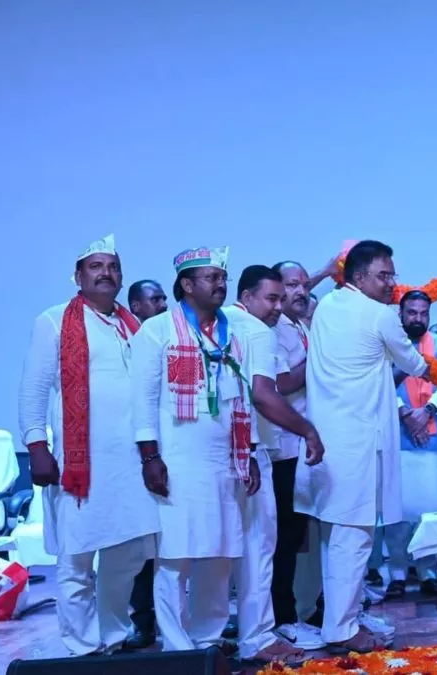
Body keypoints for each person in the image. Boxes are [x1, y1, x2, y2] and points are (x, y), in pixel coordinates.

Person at [18, 234, 159, 656]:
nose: (106, 273)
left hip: (130, 462)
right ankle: (81, 647)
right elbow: (34, 387)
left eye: (113, 267)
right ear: (77, 276)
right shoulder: (54, 320)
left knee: (129, 552)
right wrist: (36, 445)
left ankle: (113, 635)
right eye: (95, 267)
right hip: (80, 463)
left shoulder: (135, 327)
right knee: (77, 557)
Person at [297, 240, 428, 653]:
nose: (391, 284)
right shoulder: (380, 315)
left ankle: (343, 619)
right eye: (383, 275)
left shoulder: (326, 307)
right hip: (358, 443)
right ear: (358, 276)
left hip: (325, 441)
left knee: (335, 537)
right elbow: (416, 364)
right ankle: (341, 629)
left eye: (392, 274)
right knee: (353, 540)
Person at [130, 246, 264, 653]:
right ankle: (177, 648)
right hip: (176, 460)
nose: (221, 284)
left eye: (223, 277)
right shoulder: (157, 331)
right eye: (211, 278)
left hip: (225, 460)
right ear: (187, 285)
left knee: (220, 554)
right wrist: (150, 457)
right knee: (176, 556)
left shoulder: (232, 333)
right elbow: (142, 399)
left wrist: (249, 453)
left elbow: (244, 397)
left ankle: (207, 641)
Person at [226, 264, 326, 666]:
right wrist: (307, 430)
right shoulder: (257, 329)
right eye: (275, 296)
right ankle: (274, 623)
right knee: (270, 542)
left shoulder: (282, 324)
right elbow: (272, 390)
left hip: (267, 446)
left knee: (277, 540)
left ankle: (269, 625)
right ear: (248, 296)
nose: (281, 303)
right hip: (267, 446)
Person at [267, 261, 326, 650]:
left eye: (304, 285)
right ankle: (283, 618)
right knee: (285, 538)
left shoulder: (301, 326)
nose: (301, 291)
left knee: (305, 537)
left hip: (307, 445)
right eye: (291, 285)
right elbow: (283, 383)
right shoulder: (272, 330)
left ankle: (308, 610)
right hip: (284, 448)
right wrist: (322, 355)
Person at [385, 289, 437, 599]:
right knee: (397, 513)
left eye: (423, 313)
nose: (418, 318)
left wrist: (426, 412)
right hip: (397, 438)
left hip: (433, 436)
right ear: (400, 314)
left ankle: (428, 573)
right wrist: (405, 415)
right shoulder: (387, 344)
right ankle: (398, 574)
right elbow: (379, 383)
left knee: (431, 511)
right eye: (412, 312)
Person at [121, 278, 168, 649]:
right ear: (136, 306)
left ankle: (170, 620)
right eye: (155, 299)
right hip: (134, 454)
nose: (163, 304)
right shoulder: (127, 341)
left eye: (165, 298)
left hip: (168, 450)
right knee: (139, 546)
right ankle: (141, 621)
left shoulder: (170, 337)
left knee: (167, 546)